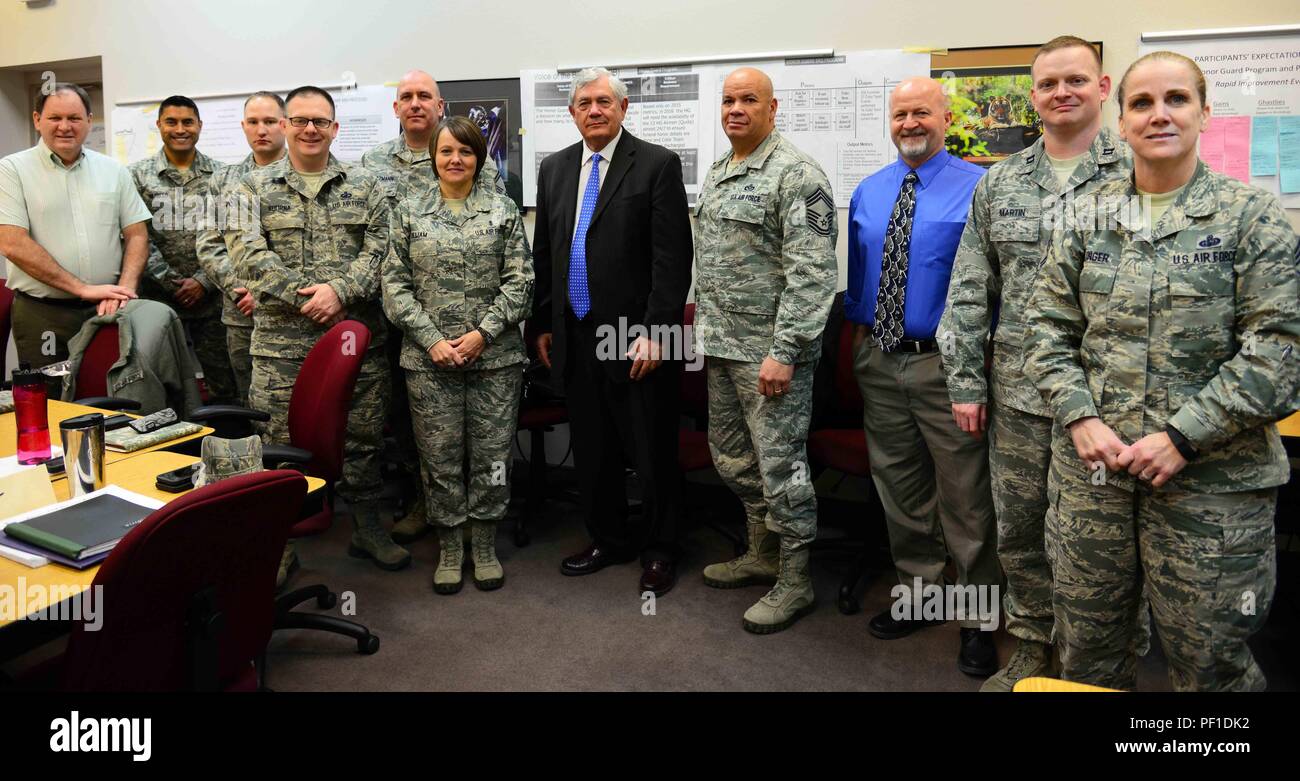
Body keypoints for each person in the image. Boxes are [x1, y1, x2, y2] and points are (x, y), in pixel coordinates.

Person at [1025, 51, 1300, 691]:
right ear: (1120, 122)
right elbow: (1044, 327)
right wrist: (1080, 415)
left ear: (1204, 113)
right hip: (1095, 475)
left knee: (1210, 666)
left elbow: (1280, 351)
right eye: (1142, 103)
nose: (1159, 115)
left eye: (1176, 99)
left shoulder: (1252, 219)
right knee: (1086, 653)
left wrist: (1182, 437)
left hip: (1210, 487)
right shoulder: (1085, 217)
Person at [937, 36, 1130, 691]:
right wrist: (965, 380)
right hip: (1018, 392)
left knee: (1095, 542)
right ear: (1033, 97)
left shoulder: (1144, 173)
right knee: (1019, 530)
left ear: (1103, 89)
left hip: (1111, 400)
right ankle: (1033, 645)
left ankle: (1092, 664)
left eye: (1076, 80)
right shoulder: (1002, 181)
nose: (1061, 93)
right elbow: (969, 285)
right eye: (1048, 84)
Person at [845, 77, 1000, 674]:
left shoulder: (979, 187)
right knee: (900, 490)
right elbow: (860, 281)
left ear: (944, 116)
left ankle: (978, 616)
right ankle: (921, 593)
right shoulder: (869, 190)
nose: (910, 123)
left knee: (965, 497)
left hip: (948, 367)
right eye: (900, 113)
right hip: (880, 360)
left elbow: (999, 287)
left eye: (921, 113)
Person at [225, 85, 409, 578]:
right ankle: (278, 546)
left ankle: (369, 529)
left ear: (335, 129)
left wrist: (340, 292)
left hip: (355, 340)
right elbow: (248, 256)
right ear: (284, 125)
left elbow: (383, 253)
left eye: (321, 122)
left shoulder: (367, 186)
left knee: (363, 440)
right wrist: (307, 296)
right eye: (301, 120)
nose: (311, 129)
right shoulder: (248, 189)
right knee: (279, 446)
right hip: (283, 347)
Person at [530, 67, 693, 596]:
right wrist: (543, 321)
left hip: (637, 336)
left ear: (624, 109)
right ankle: (608, 538)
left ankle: (662, 548)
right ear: (571, 113)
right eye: (584, 103)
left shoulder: (656, 164)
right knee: (593, 449)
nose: (594, 110)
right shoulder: (554, 169)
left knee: (650, 450)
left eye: (605, 101)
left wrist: (658, 333)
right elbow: (548, 253)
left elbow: (672, 260)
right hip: (575, 334)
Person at [694, 67, 837, 633]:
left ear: (772, 109)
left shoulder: (799, 176)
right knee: (732, 458)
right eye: (728, 100)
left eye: (748, 100)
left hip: (771, 357)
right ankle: (762, 551)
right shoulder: (720, 171)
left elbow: (812, 275)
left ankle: (796, 579)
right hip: (723, 349)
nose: (735, 109)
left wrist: (786, 350)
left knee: (781, 466)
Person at [383, 116, 533, 594]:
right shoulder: (407, 212)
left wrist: (482, 334)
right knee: (440, 457)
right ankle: (450, 545)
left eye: (465, 152)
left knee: (491, 456)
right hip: (429, 363)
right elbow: (394, 286)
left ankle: (484, 542)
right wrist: (432, 339)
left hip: (495, 360)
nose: (455, 160)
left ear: (478, 158)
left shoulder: (503, 211)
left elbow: (522, 283)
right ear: (434, 157)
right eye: (446, 151)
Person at [361, 69, 503, 544]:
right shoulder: (373, 162)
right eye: (407, 96)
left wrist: (483, 330)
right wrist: (426, 333)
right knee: (417, 431)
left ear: (441, 106)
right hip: (409, 327)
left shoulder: (487, 181)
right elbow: (381, 255)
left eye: (426, 96)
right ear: (395, 107)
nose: (416, 103)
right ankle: (429, 508)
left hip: (482, 335)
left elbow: (508, 255)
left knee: (487, 447)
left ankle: (479, 533)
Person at [0, 83, 152, 372]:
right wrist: (81, 288)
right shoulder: (11, 170)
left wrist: (125, 290)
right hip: (44, 315)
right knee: (53, 398)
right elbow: (11, 243)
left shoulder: (113, 170)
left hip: (107, 311)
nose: (65, 127)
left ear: (89, 121)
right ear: (37, 120)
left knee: (114, 395)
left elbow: (137, 234)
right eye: (55, 118)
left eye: (74, 118)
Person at [129, 95, 236, 402]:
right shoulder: (137, 175)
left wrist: (202, 281)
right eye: (171, 122)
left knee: (223, 384)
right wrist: (171, 282)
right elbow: (136, 235)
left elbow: (230, 234)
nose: (180, 129)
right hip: (159, 300)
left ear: (199, 126)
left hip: (213, 300)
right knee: (162, 385)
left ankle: (223, 443)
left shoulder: (222, 175)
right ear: (159, 125)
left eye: (187, 122)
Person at [196, 91, 288, 407]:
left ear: (285, 124)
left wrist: (267, 292)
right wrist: (243, 290)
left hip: (291, 314)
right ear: (243, 126)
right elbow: (210, 245)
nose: (261, 129)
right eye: (253, 122)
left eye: (270, 121)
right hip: (242, 313)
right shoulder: (224, 180)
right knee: (250, 400)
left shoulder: (302, 173)